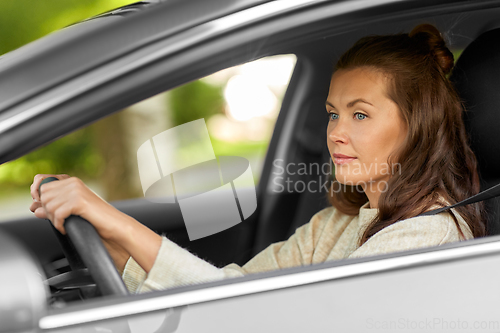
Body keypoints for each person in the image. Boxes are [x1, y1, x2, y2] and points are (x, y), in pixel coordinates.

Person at [29, 24, 486, 294]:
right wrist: (110, 242)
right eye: (332, 114)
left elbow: (254, 316)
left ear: (418, 125)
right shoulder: (337, 225)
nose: (336, 133)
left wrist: (114, 220)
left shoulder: (426, 237)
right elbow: (236, 288)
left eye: (360, 114)